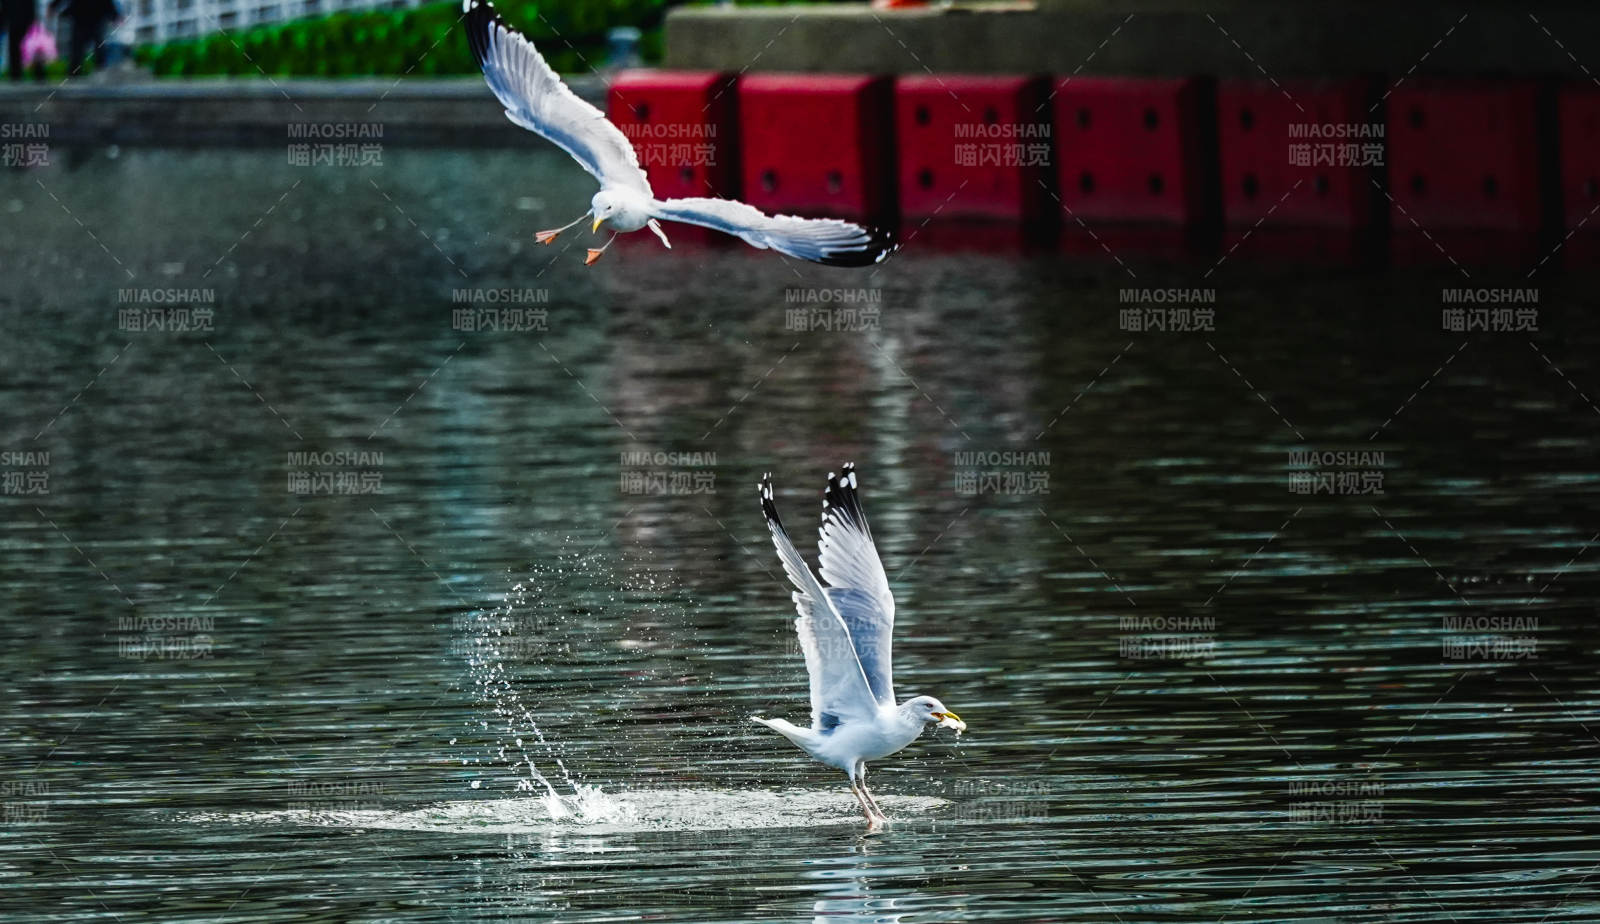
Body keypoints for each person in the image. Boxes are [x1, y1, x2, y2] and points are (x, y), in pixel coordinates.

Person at [48, 0, 116, 76]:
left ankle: (99, 69)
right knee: (79, 48)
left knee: (97, 46)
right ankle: (75, 72)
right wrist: (54, 6)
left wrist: (114, 13)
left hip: (94, 17)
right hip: (82, 17)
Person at [2, 0, 39, 81]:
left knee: (16, 48)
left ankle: (16, 74)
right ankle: (36, 73)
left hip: (14, 21)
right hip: (22, 21)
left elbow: (5, 7)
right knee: (29, 48)